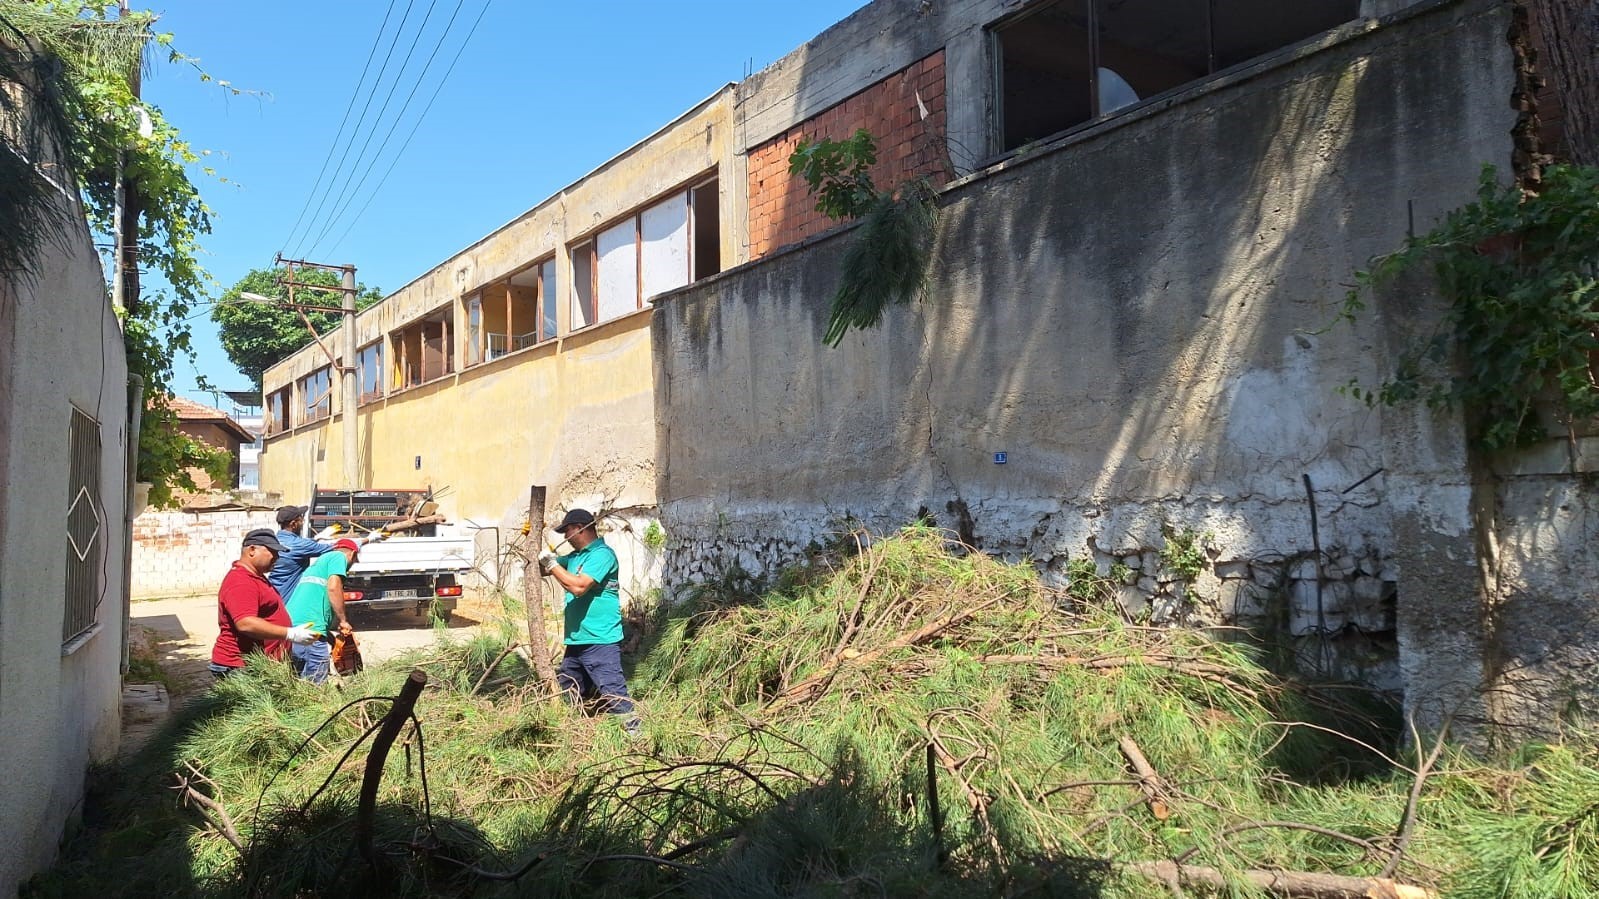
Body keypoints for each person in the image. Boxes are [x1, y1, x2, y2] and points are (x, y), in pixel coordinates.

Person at [539, 509, 639, 735]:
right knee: (568, 690)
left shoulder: (602, 555)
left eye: (567, 531)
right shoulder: (574, 557)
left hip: (600, 639)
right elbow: (542, 569)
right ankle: (573, 735)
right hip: (576, 641)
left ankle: (636, 736)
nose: (565, 537)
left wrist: (553, 564)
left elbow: (578, 587)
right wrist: (533, 544)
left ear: (580, 528)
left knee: (613, 691)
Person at [211, 529, 319, 678]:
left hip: (258, 664)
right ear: (252, 550)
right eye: (272, 552)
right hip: (240, 667)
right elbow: (245, 623)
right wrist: (291, 634)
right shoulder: (241, 581)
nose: (277, 557)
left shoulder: (256, 577)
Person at [284, 537, 363, 684]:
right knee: (316, 684)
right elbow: (333, 587)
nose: (351, 565)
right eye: (354, 561)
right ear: (352, 554)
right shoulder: (338, 557)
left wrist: (331, 639)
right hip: (310, 630)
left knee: (297, 680)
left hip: (296, 626)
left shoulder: (319, 563)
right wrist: (343, 621)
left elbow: (313, 606)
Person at [267, 505, 335, 601]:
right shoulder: (299, 545)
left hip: (273, 593)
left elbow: (302, 544)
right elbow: (333, 547)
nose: (302, 523)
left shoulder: (274, 540)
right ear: (293, 524)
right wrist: (361, 541)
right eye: (301, 520)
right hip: (288, 599)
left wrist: (316, 539)